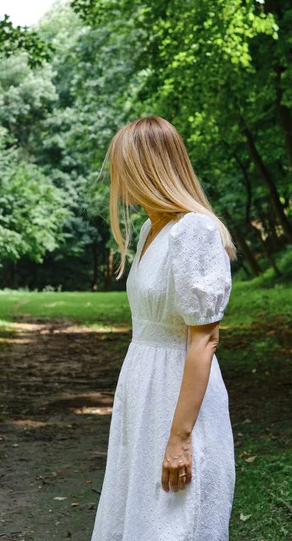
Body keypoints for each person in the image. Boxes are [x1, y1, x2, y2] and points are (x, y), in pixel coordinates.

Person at [90, 115, 238, 541]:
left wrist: (180, 438)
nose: (119, 180)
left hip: (179, 395)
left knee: (174, 523)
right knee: (137, 516)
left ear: (150, 169)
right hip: (143, 390)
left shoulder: (194, 230)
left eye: (125, 168)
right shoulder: (149, 231)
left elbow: (205, 338)